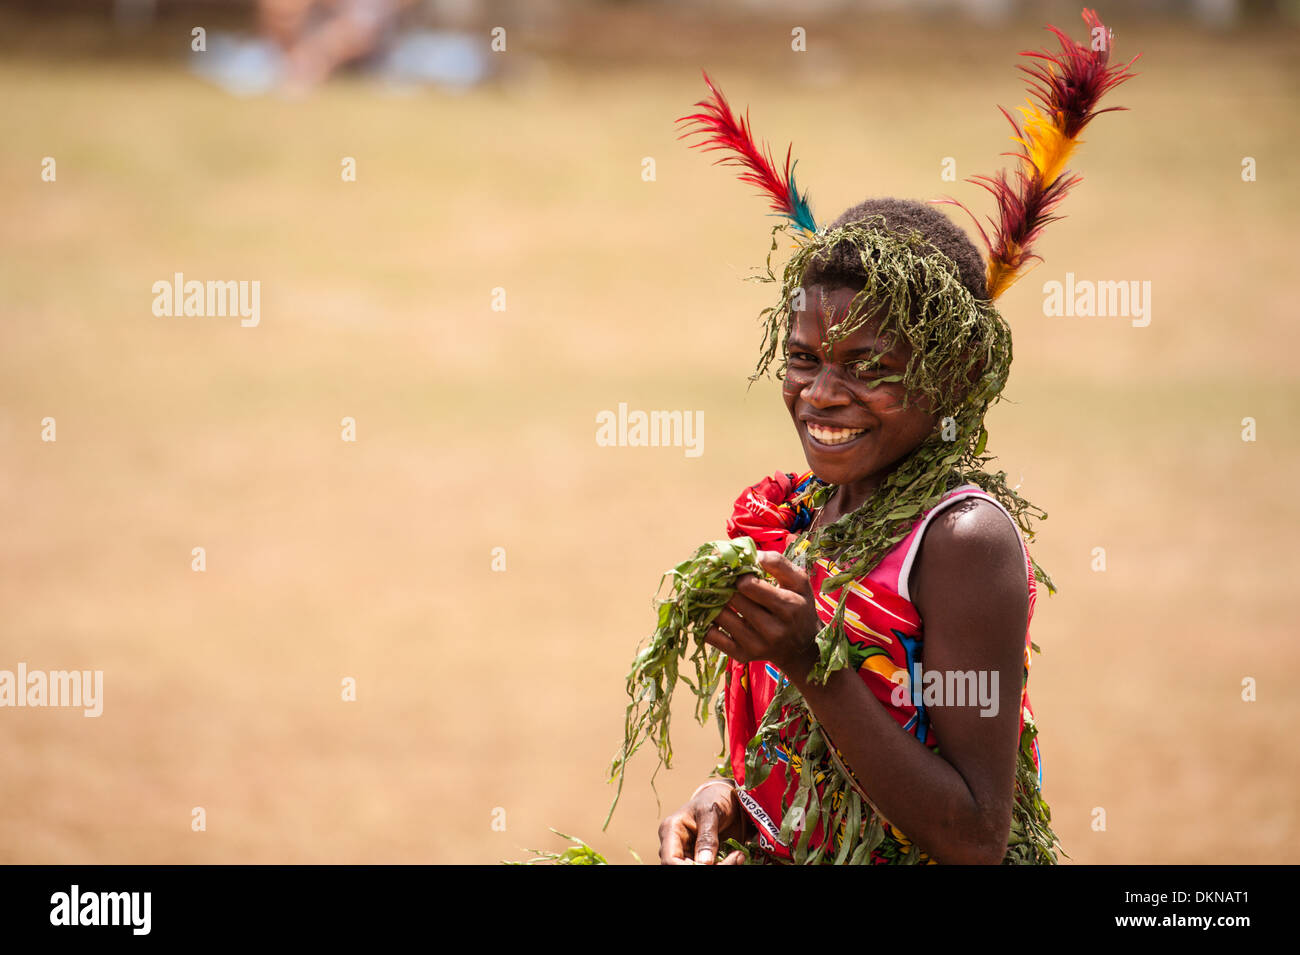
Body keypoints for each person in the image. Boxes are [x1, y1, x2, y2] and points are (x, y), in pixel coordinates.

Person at [657, 9, 1137, 864]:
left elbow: (974, 832)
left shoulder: (961, 541)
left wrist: (812, 658)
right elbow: (807, 752)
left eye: (868, 366)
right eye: (803, 358)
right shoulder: (802, 514)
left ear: (952, 376)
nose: (822, 394)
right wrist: (724, 797)